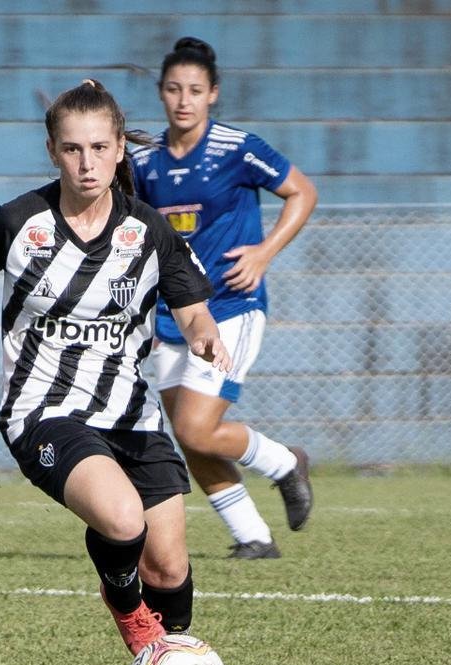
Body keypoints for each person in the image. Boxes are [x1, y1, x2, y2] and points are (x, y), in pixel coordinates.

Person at [0, 80, 230, 655]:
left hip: (132, 414)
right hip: (42, 410)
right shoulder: (18, 222)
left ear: (120, 148)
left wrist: (204, 340)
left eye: (99, 147)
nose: (87, 162)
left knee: (169, 569)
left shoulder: (148, 230)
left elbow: (194, 311)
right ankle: (124, 604)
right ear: (53, 151)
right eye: (73, 149)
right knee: (123, 521)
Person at [132, 37, 318, 560]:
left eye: (195, 89)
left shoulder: (238, 148)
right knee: (191, 437)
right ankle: (252, 537)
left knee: (196, 426)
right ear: (161, 93)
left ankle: (286, 463)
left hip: (231, 305)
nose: (183, 99)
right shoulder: (146, 162)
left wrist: (264, 252)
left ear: (213, 93)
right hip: (171, 314)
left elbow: (303, 191)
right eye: (173, 89)